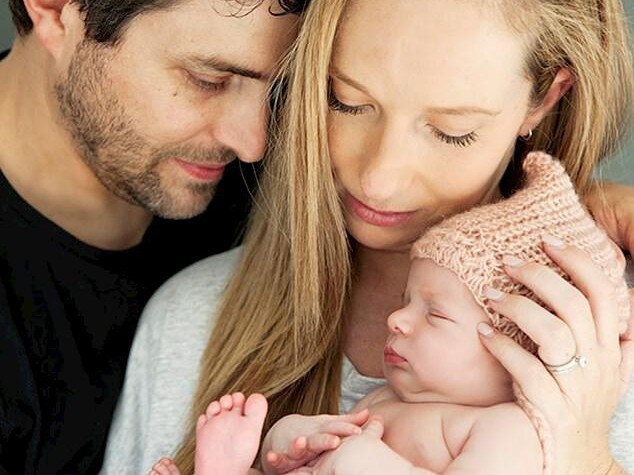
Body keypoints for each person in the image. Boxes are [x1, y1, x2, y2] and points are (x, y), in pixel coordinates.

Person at [102, 0, 634, 474]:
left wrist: (587, 460)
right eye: (347, 101)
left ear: (544, 100)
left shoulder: (612, 348)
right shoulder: (191, 319)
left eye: (452, 130)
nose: (379, 178)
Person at [145, 152, 631, 475]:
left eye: (435, 315)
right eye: (405, 301)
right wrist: (296, 439)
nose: (396, 320)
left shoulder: (510, 432)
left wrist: (364, 462)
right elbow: (315, 455)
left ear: (520, 351)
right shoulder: (382, 400)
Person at [0, 0, 305, 473]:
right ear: (56, 11)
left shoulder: (287, 186)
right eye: (208, 80)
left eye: (280, 86)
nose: (252, 144)